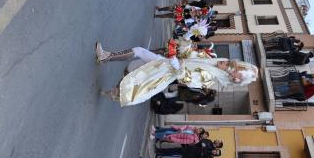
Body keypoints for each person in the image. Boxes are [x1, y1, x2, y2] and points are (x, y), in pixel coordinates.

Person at [95, 44, 257, 106]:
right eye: (227, 62)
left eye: (227, 65)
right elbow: (188, 53)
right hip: (166, 63)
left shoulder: (208, 79)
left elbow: (184, 77)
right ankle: (106, 59)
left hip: (165, 73)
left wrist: (174, 61)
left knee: (135, 72)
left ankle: (115, 90)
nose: (224, 62)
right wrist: (187, 39)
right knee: (136, 58)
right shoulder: (210, 61)